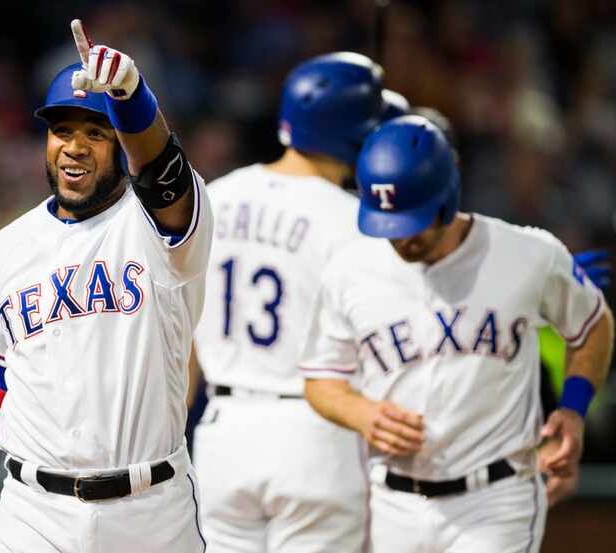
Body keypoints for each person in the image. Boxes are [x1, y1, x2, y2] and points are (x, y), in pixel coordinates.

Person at [0, 19, 212, 553]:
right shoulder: (10, 246)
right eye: (62, 130)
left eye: (96, 132)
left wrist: (133, 100)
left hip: (151, 511)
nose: (75, 147)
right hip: (34, 512)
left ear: (122, 144)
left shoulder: (160, 226)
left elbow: (166, 178)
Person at [300, 115, 614, 553]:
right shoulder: (350, 271)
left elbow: (594, 324)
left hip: (496, 499)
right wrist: (361, 413)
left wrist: (574, 408)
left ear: (446, 196)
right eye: (389, 224)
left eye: (412, 223)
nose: (400, 238)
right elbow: (320, 380)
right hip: (394, 503)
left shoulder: (528, 254)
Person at [191, 52, 406, 553]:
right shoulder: (359, 221)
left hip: (222, 432)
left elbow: (183, 335)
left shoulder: (214, 197)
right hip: (316, 435)